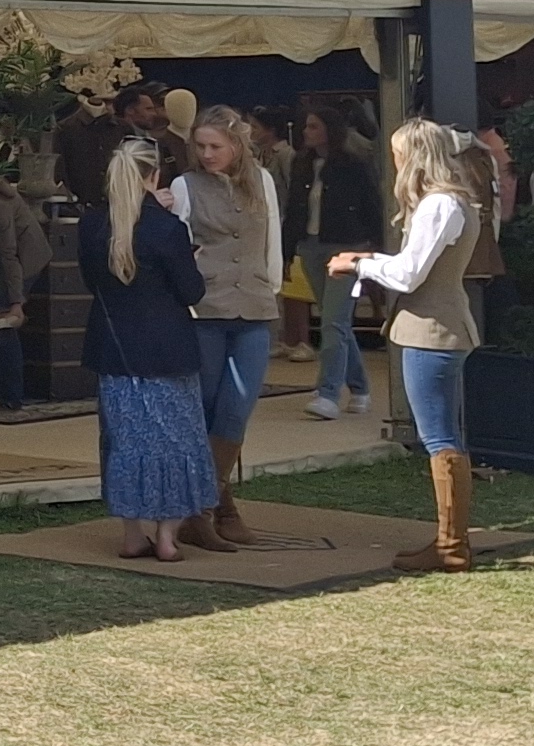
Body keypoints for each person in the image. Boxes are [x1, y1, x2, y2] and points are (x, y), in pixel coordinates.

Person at [332, 119, 488, 574]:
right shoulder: (450, 201)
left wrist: (360, 265)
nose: (395, 161)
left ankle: (451, 543)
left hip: (432, 328)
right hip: (435, 324)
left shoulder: (440, 205)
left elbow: (408, 274)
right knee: (443, 436)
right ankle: (449, 540)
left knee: (439, 437)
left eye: (399, 153)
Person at [81, 133, 214, 561]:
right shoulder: (166, 229)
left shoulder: (92, 226)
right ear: (154, 175)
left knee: (125, 443)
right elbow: (191, 292)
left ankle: (132, 534)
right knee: (177, 443)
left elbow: (91, 283)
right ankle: (167, 537)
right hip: (166, 350)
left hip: (114, 348)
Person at [182, 105, 281, 548]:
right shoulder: (185, 186)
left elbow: (272, 238)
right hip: (205, 309)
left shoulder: (263, 181)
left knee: (237, 407)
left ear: (237, 145)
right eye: (200, 146)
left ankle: (211, 506)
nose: (207, 154)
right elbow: (178, 248)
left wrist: (269, 287)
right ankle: (211, 510)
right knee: (204, 406)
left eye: (215, 146)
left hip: (254, 306)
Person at [288, 104, 382, 421]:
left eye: (313, 126)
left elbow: (371, 204)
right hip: (312, 246)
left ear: (330, 128)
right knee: (335, 321)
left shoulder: (352, 164)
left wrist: (374, 245)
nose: (306, 132)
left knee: (332, 321)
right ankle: (359, 387)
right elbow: (294, 208)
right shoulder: (302, 164)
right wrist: (288, 250)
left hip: (346, 246)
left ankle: (328, 392)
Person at [0, 162, 48, 414]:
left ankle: (10, 396)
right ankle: (0, 391)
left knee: (4, 321)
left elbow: (9, 255)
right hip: (3, 258)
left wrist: (16, 303)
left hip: (27, 259)